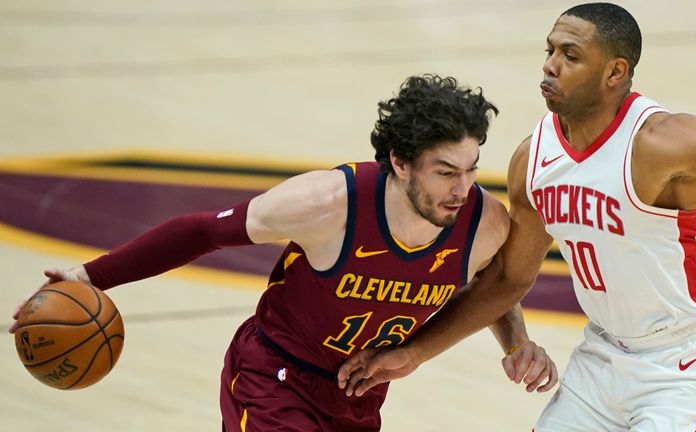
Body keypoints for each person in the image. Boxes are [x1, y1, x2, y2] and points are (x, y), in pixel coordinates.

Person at [9, 74, 556, 431]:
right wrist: (88, 275)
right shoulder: (325, 204)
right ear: (401, 162)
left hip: (357, 398)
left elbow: (494, 284)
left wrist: (516, 341)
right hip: (273, 376)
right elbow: (199, 230)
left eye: (469, 168)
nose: (462, 188)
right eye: (445, 173)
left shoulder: (481, 222)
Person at [338, 3, 696, 430]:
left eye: (570, 56)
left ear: (615, 72)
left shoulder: (663, 143)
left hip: (685, 363)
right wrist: (415, 353)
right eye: (550, 51)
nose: (550, 66)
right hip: (600, 358)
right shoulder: (533, 159)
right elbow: (508, 279)